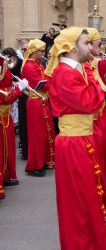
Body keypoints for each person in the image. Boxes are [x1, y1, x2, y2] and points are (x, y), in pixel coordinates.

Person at [46, 27, 106, 250]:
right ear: (74, 48)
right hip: (74, 143)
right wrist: (101, 80)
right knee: (80, 201)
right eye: (87, 43)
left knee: (81, 199)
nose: (92, 48)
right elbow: (90, 102)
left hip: (79, 140)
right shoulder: (66, 74)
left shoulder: (71, 71)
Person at [86, 28, 106, 196]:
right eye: (98, 44)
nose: (101, 47)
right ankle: (101, 183)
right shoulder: (86, 65)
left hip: (100, 112)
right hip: (92, 116)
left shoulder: (96, 62)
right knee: (98, 149)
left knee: (104, 147)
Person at [21, 39, 55, 176]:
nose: (43, 53)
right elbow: (43, 84)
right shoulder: (29, 66)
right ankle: (34, 165)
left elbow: (45, 79)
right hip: (35, 101)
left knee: (46, 132)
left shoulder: (37, 63)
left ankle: (45, 160)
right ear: (34, 52)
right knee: (37, 134)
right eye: (41, 51)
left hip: (42, 100)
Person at [0, 59, 29, 199]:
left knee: (8, 148)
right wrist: (18, 89)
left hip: (7, 117)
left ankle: (6, 176)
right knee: (2, 149)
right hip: (2, 118)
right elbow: (6, 98)